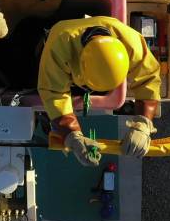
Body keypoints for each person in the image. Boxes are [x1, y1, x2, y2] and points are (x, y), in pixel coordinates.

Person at [38, 16, 162, 166]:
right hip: (44, 50)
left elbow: (149, 77)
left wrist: (143, 124)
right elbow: (53, 93)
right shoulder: (59, 47)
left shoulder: (131, 43)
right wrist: (72, 135)